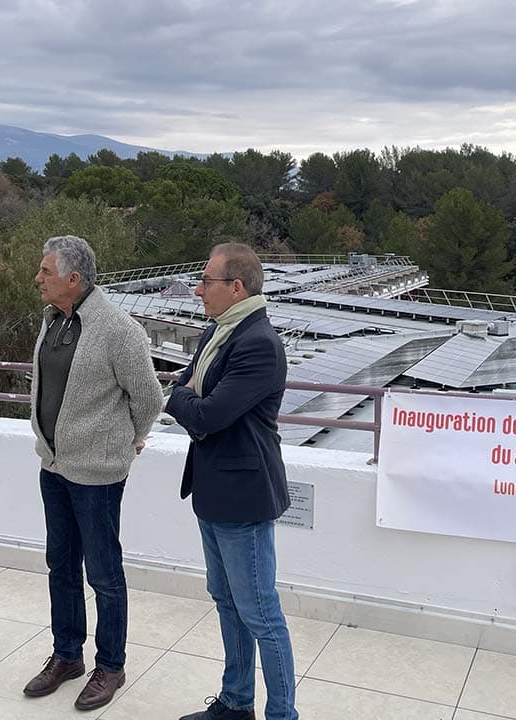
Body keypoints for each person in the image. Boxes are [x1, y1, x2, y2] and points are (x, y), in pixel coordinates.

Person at [23, 235, 164, 711]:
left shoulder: (118, 330)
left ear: (73, 278)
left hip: (98, 474)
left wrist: (129, 440)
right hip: (54, 466)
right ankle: (67, 656)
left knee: (103, 573)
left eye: (45, 271)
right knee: (60, 565)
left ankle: (110, 665)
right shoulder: (52, 321)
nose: (38, 279)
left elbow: (149, 399)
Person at [166, 243, 298, 720]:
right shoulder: (219, 332)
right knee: (226, 603)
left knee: (261, 614)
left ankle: (282, 714)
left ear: (236, 287)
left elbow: (208, 414)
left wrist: (178, 400)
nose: (198, 290)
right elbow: (188, 390)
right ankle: (236, 702)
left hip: (244, 500)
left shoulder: (257, 343)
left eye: (207, 281)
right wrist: (184, 397)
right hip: (213, 493)